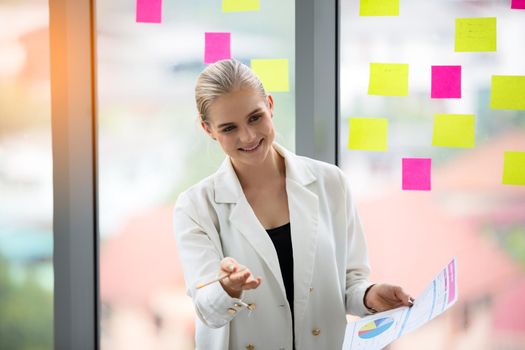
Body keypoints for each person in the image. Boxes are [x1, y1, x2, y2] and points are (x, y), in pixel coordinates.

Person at [173, 58, 413, 350]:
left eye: (255, 117)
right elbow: (208, 311)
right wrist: (227, 288)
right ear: (208, 129)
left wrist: (369, 296)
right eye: (228, 128)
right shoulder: (195, 207)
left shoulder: (330, 183)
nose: (248, 136)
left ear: (270, 105)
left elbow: (350, 282)